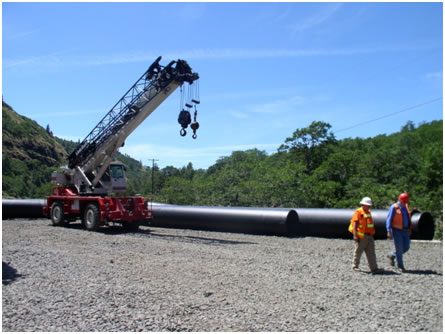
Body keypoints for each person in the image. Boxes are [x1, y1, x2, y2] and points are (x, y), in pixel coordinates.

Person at [348, 197, 384, 274]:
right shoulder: (358, 212)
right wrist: (355, 236)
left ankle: (374, 268)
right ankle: (355, 266)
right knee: (358, 251)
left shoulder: (368, 212)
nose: (369, 207)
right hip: (361, 237)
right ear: (363, 204)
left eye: (369, 205)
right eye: (367, 205)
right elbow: (355, 224)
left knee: (371, 252)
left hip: (369, 236)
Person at [386, 193, 412, 273]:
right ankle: (400, 266)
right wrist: (389, 231)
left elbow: (408, 218)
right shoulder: (394, 207)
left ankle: (392, 255)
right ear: (400, 200)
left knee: (406, 247)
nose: (405, 203)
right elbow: (389, 219)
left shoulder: (406, 207)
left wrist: (409, 228)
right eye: (404, 201)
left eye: (406, 201)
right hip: (396, 231)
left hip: (405, 230)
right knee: (399, 248)